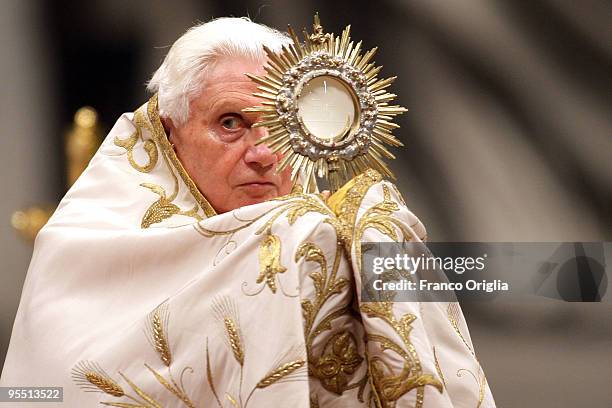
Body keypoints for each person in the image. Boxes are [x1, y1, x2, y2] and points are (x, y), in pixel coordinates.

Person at [1, 17, 495, 407]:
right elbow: (43, 393)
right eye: (231, 123)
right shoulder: (88, 246)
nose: (264, 152)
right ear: (169, 134)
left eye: (283, 123)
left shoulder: (348, 242)